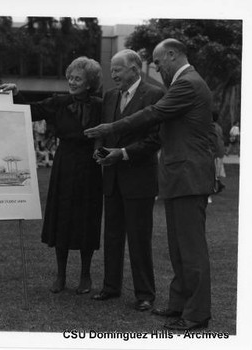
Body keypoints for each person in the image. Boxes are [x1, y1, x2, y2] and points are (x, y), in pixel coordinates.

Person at [84, 39, 214, 331]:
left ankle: (196, 314)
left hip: (188, 176)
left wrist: (112, 128)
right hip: (179, 176)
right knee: (179, 248)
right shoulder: (186, 83)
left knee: (191, 250)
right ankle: (179, 304)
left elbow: (152, 114)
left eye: (158, 62)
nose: (156, 68)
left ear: (172, 54)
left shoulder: (188, 84)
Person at [0, 56, 103, 295]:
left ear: (90, 83)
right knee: (62, 218)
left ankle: (85, 275)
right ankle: (61, 275)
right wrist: (16, 93)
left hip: (90, 166)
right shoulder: (58, 102)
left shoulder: (101, 105)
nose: (72, 82)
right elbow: (30, 111)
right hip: (64, 164)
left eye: (78, 78)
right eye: (70, 77)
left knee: (88, 218)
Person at [91, 49, 164, 312]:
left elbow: (155, 139)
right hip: (111, 179)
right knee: (112, 236)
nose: (113, 74)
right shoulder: (110, 96)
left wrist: (121, 154)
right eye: (111, 70)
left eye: (118, 69)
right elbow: (104, 131)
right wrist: (99, 149)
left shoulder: (155, 94)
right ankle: (111, 287)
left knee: (139, 239)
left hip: (139, 179)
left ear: (135, 69)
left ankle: (145, 294)